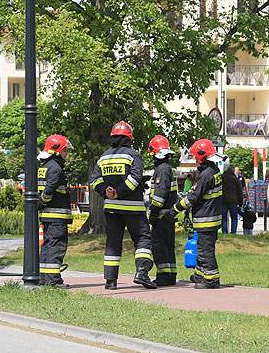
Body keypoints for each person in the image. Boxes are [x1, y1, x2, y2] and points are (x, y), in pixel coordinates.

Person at [90, 121, 156, 290]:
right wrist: (119, 191)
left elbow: (94, 181)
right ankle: (142, 272)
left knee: (113, 242)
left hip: (111, 207)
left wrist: (107, 191)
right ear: (129, 138)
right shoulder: (134, 155)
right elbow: (135, 178)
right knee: (143, 238)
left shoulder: (104, 157)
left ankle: (110, 281)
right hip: (132, 207)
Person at [166, 139, 223, 289]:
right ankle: (200, 275)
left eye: (196, 156)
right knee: (201, 248)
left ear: (202, 155)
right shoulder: (214, 171)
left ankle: (211, 279)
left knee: (206, 250)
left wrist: (175, 209)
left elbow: (193, 198)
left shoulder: (206, 175)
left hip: (206, 218)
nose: (196, 159)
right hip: (211, 217)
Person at [38, 134, 74, 287]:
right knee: (56, 246)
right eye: (65, 151)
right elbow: (49, 190)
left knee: (47, 245)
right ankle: (53, 280)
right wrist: (42, 202)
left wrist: (41, 205)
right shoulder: (56, 169)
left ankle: (43, 278)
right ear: (56, 150)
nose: (66, 154)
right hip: (56, 216)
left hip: (47, 216)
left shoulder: (44, 167)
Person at [147, 135, 178, 286]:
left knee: (159, 246)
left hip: (161, 216)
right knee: (168, 246)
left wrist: (152, 213)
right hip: (168, 216)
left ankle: (164, 277)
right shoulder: (167, 168)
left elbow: (160, 195)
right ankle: (170, 275)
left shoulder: (162, 169)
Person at [222, 164, 243, 234]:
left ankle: (224, 232)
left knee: (224, 218)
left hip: (223, 201)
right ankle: (233, 232)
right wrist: (241, 204)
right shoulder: (236, 179)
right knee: (234, 218)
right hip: (233, 201)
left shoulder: (222, 177)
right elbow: (240, 192)